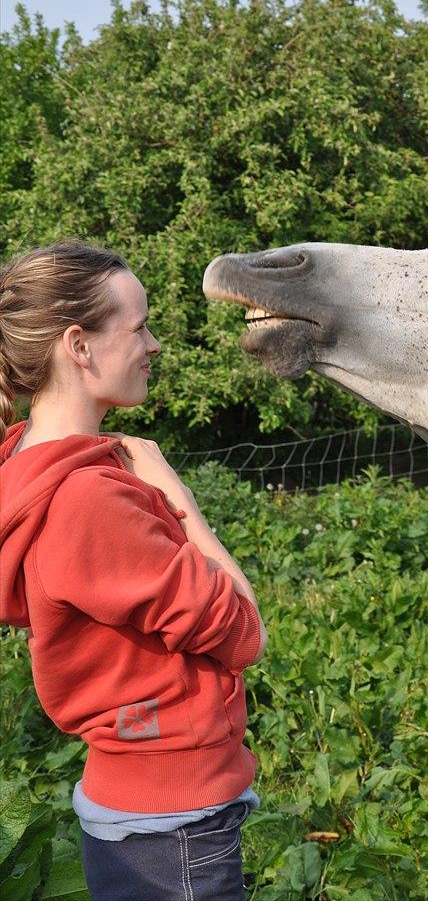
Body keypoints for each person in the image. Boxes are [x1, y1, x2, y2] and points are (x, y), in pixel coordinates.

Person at [0, 239, 267, 901]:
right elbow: (244, 629)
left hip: (145, 811)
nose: (153, 345)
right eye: (139, 325)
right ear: (79, 346)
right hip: (171, 827)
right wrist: (180, 499)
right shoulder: (89, 500)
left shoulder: (30, 467)